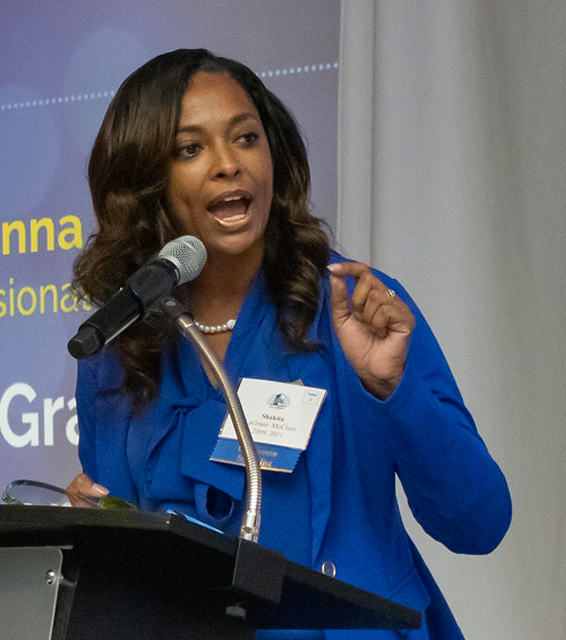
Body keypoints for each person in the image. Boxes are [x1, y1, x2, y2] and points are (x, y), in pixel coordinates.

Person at [67, 48, 511, 639]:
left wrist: (393, 389)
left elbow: (479, 523)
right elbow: (138, 574)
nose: (228, 165)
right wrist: (101, 531)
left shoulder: (354, 309)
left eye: (246, 138)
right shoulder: (117, 345)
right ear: (146, 183)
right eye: (190, 149)